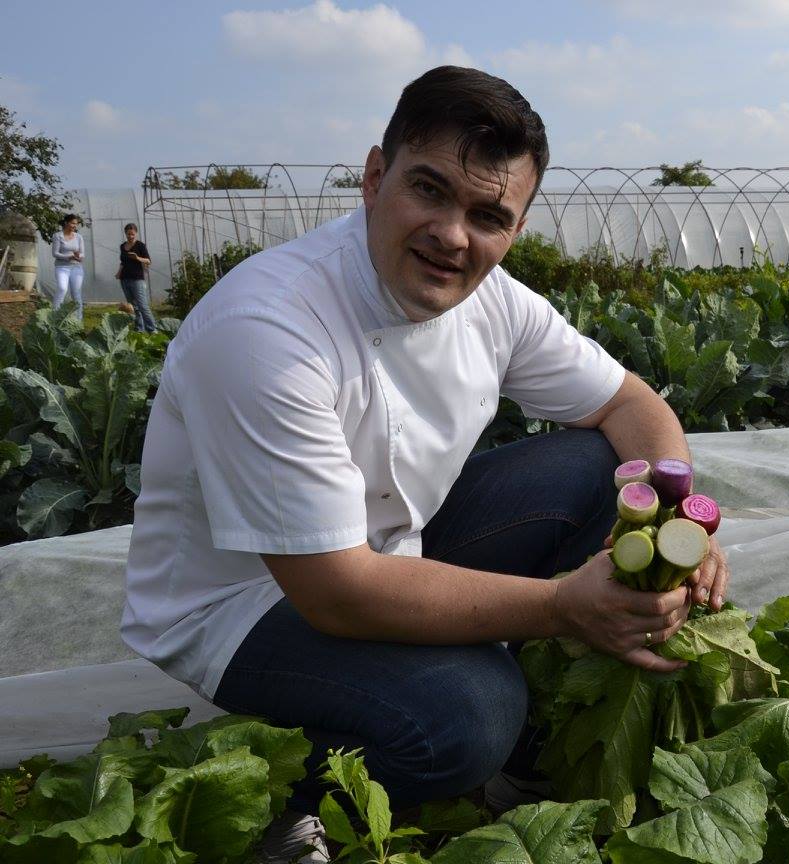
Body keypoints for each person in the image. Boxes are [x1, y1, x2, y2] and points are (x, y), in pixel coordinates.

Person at [119, 66, 730, 862]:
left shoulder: (495, 300)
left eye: (488, 215)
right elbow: (337, 593)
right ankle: (271, 805)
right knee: (467, 715)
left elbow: (632, 407)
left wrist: (681, 517)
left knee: (597, 465)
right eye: (429, 190)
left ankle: (525, 759)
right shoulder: (267, 327)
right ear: (375, 177)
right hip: (247, 601)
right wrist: (562, 605)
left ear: (515, 228)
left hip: (387, 551)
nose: (453, 235)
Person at [115, 223, 157, 332]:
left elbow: (148, 260)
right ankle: (139, 329)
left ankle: (153, 330)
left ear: (136, 233)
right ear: (125, 233)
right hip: (125, 279)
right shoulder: (122, 246)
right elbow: (123, 262)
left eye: (132, 234)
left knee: (143, 306)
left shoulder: (140, 245)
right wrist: (119, 272)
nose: (130, 236)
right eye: (128, 234)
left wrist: (137, 258)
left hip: (137, 279)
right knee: (134, 307)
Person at [49, 213, 85, 320]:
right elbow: (55, 253)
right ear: (66, 223)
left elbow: (83, 254)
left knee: (76, 293)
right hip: (62, 267)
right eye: (73, 223)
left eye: (76, 224)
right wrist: (69, 256)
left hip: (76, 268)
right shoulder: (57, 236)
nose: (75, 226)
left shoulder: (79, 237)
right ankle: (54, 316)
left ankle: (78, 320)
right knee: (62, 288)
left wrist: (79, 256)